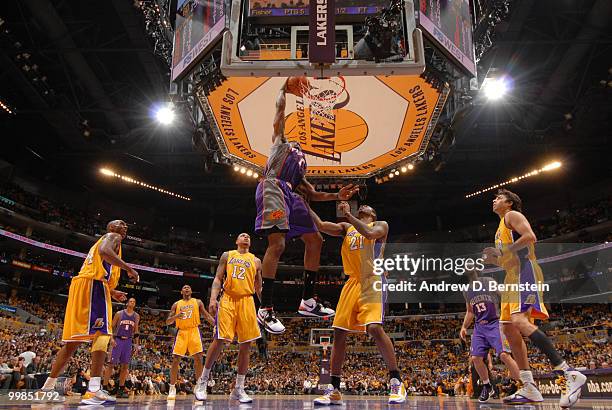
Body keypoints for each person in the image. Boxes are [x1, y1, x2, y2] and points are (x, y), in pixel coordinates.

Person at [255, 77, 359, 334]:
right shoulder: (279, 143)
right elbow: (279, 111)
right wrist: (282, 89)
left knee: (316, 240)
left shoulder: (301, 165)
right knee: (277, 244)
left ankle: (307, 300)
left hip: (291, 194)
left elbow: (312, 193)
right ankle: (265, 308)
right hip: (273, 187)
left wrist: (338, 196)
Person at [482, 189, 586, 407]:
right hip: (511, 276)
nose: (494, 200)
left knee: (520, 321)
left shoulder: (512, 216)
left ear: (509, 203)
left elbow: (530, 237)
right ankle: (529, 386)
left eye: (499, 198)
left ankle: (568, 373)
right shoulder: (500, 228)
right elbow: (507, 258)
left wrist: (503, 252)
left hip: (525, 272)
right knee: (509, 329)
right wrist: (494, 260)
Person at [310, 202, 407, 405]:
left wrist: (348, 215)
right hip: (352, 282)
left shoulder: (380, 225)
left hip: (372, 279)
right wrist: (302, 204)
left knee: (373, 328)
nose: (363, 206)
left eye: (367, 207)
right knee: (339, 333)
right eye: (360, 206)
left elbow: (370, 235)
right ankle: (334, 389)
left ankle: (397, 382)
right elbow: (319, 224)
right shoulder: (347, 228)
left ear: (372, 214)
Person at [40, 220, 139, 405]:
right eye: (121, 223)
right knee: (102, 335)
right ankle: (93, 390)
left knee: (73, 342)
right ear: (111, 227)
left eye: (126, 225)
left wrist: (111, 291)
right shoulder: (113, 237)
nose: (125, 226)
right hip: (93, 287)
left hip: (83, 286)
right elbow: (105, 252)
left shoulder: (105, 240)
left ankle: (46, 387)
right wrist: (129, 268)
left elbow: (100, 264)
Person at [195, 233, 262, 403]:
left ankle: (239, 388)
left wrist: (267, 308)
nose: (246, 236)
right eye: (242, 235)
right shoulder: (228, 255)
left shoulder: (256, 261)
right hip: (228, 298)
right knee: (220, 339)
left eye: (248, 236)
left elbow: (259, 287)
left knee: (246, 344)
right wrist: (212, 298)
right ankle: (202, 381)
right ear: (237, 241)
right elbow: (218, 278)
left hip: (247, 300)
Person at [459, 269, 520, 402]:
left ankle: (525, 386)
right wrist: (464, 327)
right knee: (475, 358)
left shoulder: (488, 281)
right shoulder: (466, 290)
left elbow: (503, 295)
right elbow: (470, 311)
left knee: (504, 355)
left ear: (476, 270)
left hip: (495, 322)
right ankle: (487, 386)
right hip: (479, 326)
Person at [166, 284, 214, 400]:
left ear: (191, 291)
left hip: (194, 331)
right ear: (181, 292)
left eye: (188, 287)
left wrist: (216, 325)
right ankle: (172, 388)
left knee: (198, 358)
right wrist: (176, 316)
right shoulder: (176, 304)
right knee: (176, 359)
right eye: (184, 287)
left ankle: (198, 386)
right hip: (181, 332)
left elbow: (207, 315)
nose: (186, 288)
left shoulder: (197, 302)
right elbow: (168, 322)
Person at [103, 297, 139, 398]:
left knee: (125, 366)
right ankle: (104, 387)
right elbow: (111, 327)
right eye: (130, 301)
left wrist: (136, 345)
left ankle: (121, 389)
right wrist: (111, 339)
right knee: (111, 364)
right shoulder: (119, 313)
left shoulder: (136, 316)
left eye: (134, 301)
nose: (132, 302)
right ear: (127, 303)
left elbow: (136, 331)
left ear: (135, 304)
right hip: (117, 340)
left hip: (128, 341)